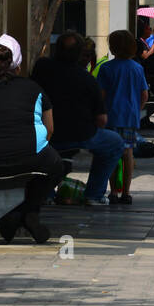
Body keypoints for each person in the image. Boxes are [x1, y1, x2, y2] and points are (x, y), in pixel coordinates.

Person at [0, 35, 63, 244]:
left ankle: (16, 214)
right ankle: (27, 212)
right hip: (33, 158)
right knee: (57, 166)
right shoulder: (35, 89)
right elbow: (49, 130)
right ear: (18, 66)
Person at [30, 30, 125, 206]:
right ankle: (94, 194)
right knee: (115, 143)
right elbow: (102, 119)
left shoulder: (41, 67)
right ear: (79, 54)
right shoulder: (87, 79)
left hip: (46, 135)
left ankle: (46, 195)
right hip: (80, 135)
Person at [96, 30, 148, 205]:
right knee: (128, 154)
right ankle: (126, 192)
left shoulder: (106, 68)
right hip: (130, 118)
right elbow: (144, 95)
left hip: (110, 116)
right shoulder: (137, 68)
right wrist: (137, 110)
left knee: (111, 154)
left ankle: (113, 192)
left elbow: (101, 95)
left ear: (112, 47)